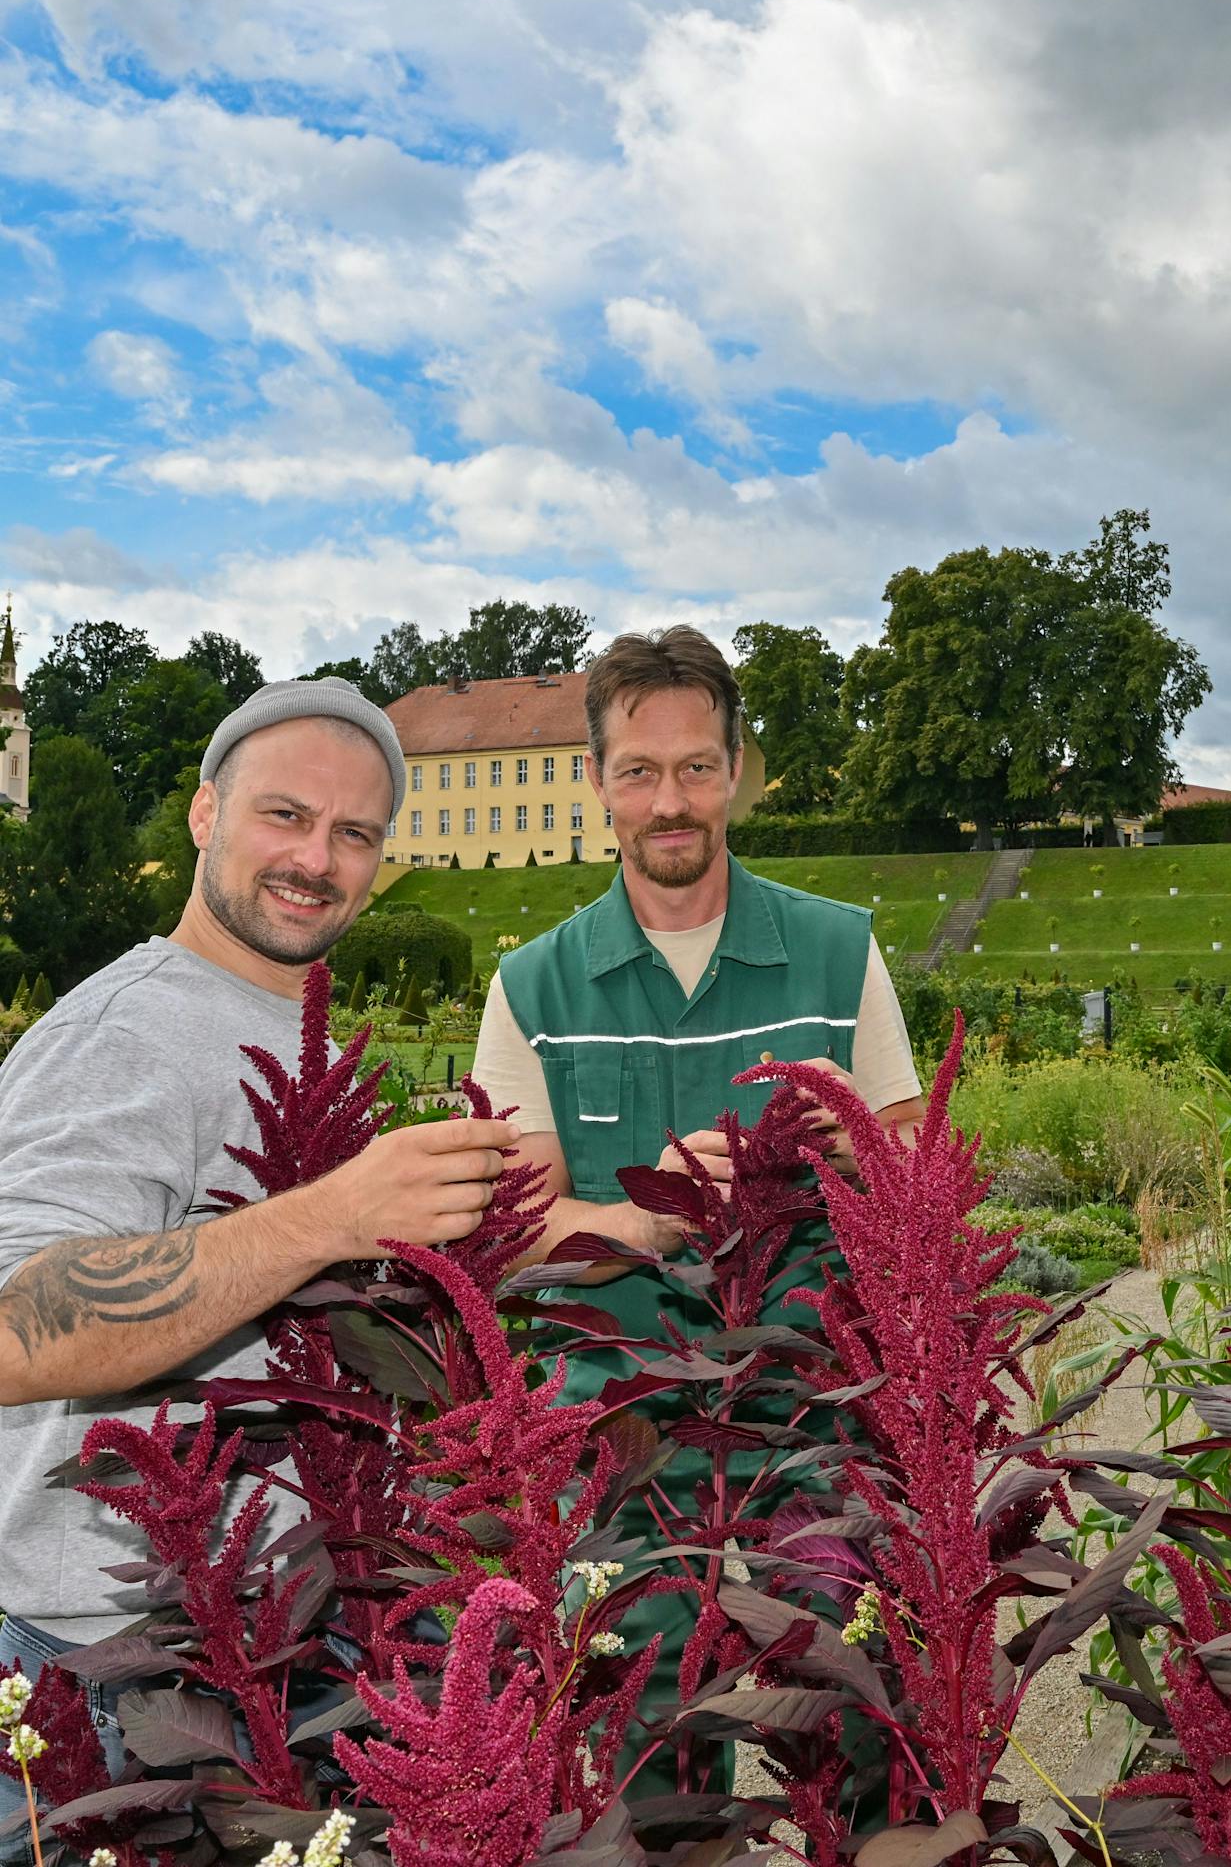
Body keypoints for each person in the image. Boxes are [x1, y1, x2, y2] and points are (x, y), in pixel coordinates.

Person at [0, 681, 516, 1854]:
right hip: (118, 1672)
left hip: (284, 1641)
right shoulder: (121, 1034)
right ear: (201, 815)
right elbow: (17, 1328)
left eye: (354, 833)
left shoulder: (298, 1029)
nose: (315, 859)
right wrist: (326, 1213)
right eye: (283, 815)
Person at [470, 624, 923, 1773]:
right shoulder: (534, 983)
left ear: (736, 773)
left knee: (861, 1738)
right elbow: (516, 1231)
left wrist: (852, 1141)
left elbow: (919, 1172)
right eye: (638, 770)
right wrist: (638, 1216)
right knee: (649, 1762)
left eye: (694, 767)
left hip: (813, 1421)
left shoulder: (835, 951)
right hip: (623, 1434)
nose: (668, 800)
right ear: (596, 783)